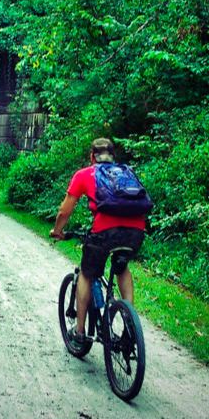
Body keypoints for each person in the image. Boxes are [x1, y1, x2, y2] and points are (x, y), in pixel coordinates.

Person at [49, 138, 146, 343]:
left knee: (86, 273)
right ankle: (130, 322)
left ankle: (80, 331)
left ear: (92, 156)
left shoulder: (85, 174)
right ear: (113, 156)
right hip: (136, 231)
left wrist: (57, 231)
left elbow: (65, 211)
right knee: (121, 267)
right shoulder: (127, 172)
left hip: (105, 232)